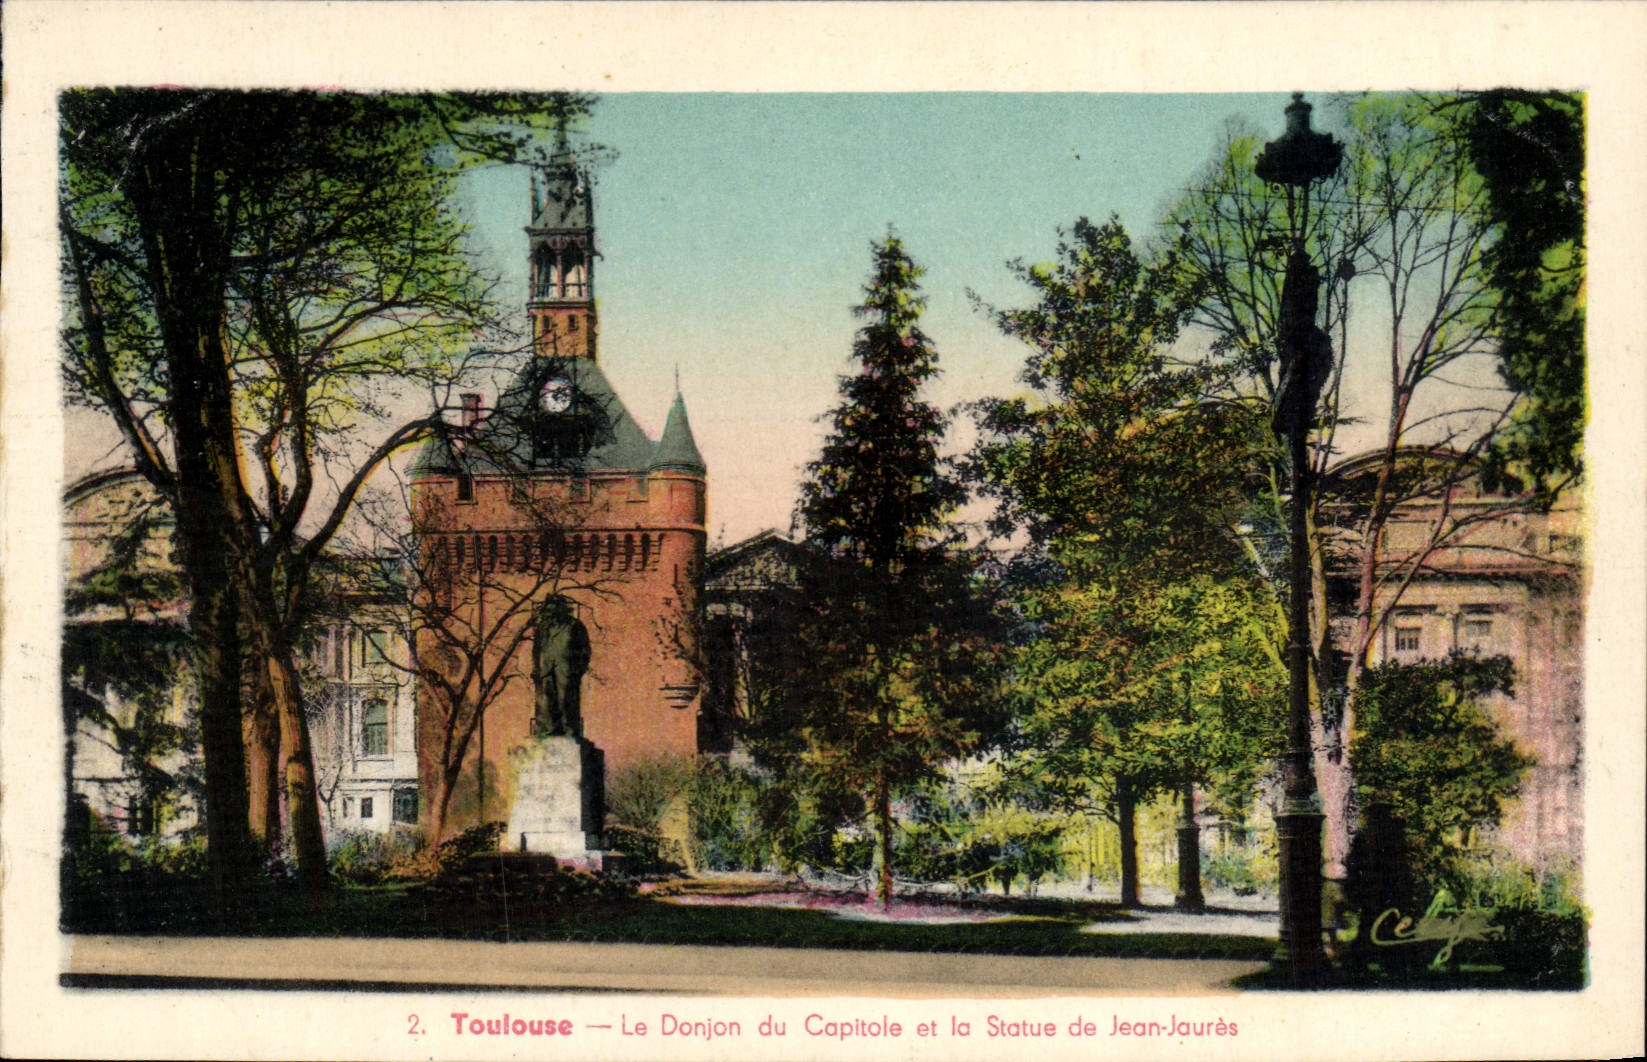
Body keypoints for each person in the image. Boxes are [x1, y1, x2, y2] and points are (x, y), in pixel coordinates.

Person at [532, 596, 590, 737]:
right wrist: (536, 667)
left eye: (554, 608)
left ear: (562, 609)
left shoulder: (574, 625)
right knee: (547, 700)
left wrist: (579, 669)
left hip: (566, 669)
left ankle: (569, 729)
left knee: (566, 699)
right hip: (547, 669)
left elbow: (585, 650)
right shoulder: (543, 627)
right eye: (549, 608)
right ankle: (550, 729)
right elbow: (536, 649)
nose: (552, 612)